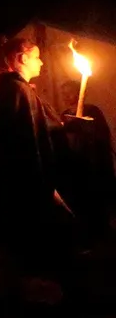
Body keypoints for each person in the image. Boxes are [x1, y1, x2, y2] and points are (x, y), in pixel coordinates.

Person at [0, 38, 86, 309]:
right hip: (26, 181)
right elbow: (27, 140)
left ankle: (32, 293)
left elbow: (38, 125)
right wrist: (43, 185)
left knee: (38, 239)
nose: (41, 62)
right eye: (36, 57)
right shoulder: (15, 91)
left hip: (26, 180)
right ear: (21, 59)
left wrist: (65, 123)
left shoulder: (16, 89)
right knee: (50, 235)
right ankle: (47, 297)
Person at [57, 79, 115, 242]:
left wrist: (85, 131)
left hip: (94, 163)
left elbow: (101, 137)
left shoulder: (93, 111)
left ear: (79, 92)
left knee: (100, 201)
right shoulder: (63, 116)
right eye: (64, 93)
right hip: (77, 166)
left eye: (70, 92)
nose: (67, 96)